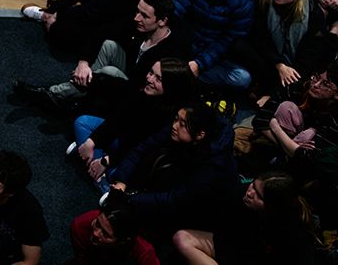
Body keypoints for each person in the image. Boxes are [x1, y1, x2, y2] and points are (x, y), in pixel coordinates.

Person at [14, 0, 188, 112]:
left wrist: (95, 79)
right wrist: (83, 64)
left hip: (140, 93)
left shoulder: (173, 49)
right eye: (137, 11)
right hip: (130, 72)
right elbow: (100, 32)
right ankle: (75, 93)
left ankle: (58, 94)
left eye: (144, 15)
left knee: (108, 72)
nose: (137, 18)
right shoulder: (139, 25)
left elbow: (145, 89)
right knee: (109, 45)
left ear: (162, 21)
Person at [69, 59, 200, 196]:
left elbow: (140, 148)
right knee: (82, 123)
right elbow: (118, 117)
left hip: (135, 155)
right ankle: (93, 163)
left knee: (118, 175)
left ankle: (95, 168)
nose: (149, 78)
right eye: (150, 72)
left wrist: (106, 161)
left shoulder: (174, 117)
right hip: (122, 141)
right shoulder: (144, 90)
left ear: (171, 87)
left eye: (158, 78)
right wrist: (91, 142)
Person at [106, 104, 238, 237]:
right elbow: (141, 149)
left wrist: (130, 199)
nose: (174, 125)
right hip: (171, 187)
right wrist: (121, 182)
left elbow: (176, 200)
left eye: (182, 124)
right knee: (118, 176)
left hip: (198, 214)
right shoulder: (178, 131)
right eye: (176, 119)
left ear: (200, 135)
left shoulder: (214, 164)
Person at [172, 170, 319, 265]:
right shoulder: (241, 193)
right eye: (253, 185)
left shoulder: (295, 235)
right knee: (182, 239)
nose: (250, 192)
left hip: (255, 258)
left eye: (258, 195)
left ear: (271, 207)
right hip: (235, 247)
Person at [230, 0, 325, 97]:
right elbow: (259, 39)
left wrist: (287, 71)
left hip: (296, 66)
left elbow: (309, 56)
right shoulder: (266, 3)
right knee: (240, 45)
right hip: (273, 60)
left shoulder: (313, 15)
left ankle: (269, 93)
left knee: (295, 82)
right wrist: (279, 64)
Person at [169, 0, 255, 91]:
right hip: (184, 44)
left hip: (212, 53)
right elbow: (172, 17)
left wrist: (200, 63)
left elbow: (229, 41)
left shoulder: (241, 1)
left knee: (242, 78)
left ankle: (182, 76)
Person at [69, 196, 160, 265]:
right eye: (97, 224)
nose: (95, 233)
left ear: (123, 241)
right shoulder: (80, 226)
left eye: (105, 234)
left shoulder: (144, 254)